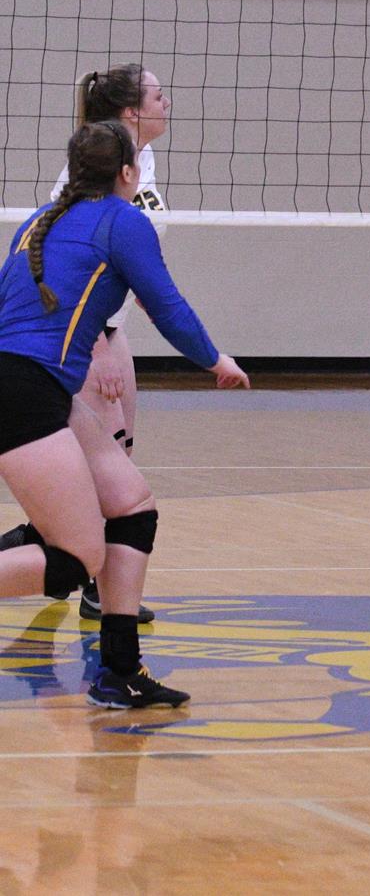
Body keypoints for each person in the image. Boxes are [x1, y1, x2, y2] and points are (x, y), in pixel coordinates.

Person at [0, 121, 250, 708]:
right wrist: (216, 360)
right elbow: (169, 307)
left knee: (132, 506)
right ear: (129, 175)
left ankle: (119, 671)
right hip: (22, 387)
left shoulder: (40, 219)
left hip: (35, 384)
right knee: (74, 557)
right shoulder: (124, 221)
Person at [49, 64, 170, 622]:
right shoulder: (87, 175)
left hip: (114, 325)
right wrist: (93, 349)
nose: (166, 101)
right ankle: (64, 564)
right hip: (83, 333)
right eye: (156, 94)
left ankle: (91, 580)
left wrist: (141, 286)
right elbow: (65, 262)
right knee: (105, 471)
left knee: (119, 457)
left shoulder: (142, 161)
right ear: (130, 112)